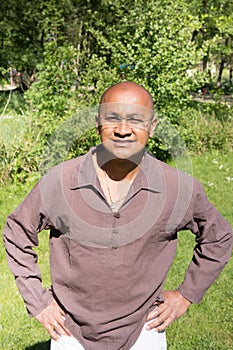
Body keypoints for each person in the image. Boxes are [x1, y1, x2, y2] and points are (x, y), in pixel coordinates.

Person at [3, 81, 232, 350]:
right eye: (113, 119)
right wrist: (38, 301)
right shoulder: (60, 181)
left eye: (136, 120)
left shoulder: (178, 188)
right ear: (97, 123)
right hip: (69, 329)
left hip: (144, 329)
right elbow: (17, 231)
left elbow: (218, 237)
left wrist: (186, 295)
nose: (123, 131)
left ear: (153, 126)